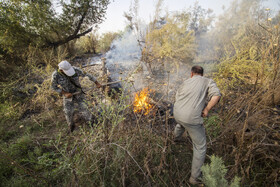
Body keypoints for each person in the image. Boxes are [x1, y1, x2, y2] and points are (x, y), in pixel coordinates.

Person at [173, 65, 221, 185]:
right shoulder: (208, 81)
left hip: (177, 113)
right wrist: (207, 109)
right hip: (191, 119)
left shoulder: (185, 82)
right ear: (202, 74)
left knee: (181, 123)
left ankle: (176, 138)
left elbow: (177, 97)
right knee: (200, 146)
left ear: (191, 74)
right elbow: (216, 95)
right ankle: (194, 179)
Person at [51, 60, 102, 132]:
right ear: (61, 70)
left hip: (78, 93)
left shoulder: (75, 70)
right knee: (68, 111)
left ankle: (91, 122)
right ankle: (70, 125)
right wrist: (64, 93)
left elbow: (88, 75)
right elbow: (53, 87)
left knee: (84, 108)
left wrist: (97, 83)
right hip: (67, 95)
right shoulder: (55, 75)